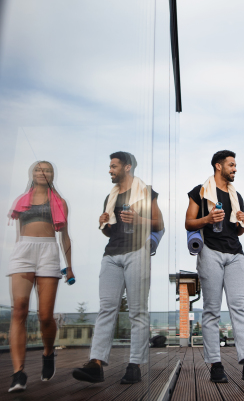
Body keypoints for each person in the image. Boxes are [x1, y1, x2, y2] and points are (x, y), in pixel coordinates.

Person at [72, 151, 163, 385]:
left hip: (137, 252)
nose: (110, 170)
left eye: (113, 166)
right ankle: (96, 364)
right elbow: (110, 231)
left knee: (137, 311)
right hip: (112, 254)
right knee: (106, 310)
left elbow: (159, 224)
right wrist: (104, 223)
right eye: (110, 166)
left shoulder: (146, 192)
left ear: (127, 167)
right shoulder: (110, 196)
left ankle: (135, 365)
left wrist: (138, 220)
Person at [185, 150, 244, 383]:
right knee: (212, 309)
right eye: (231, 165)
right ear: (218, 166)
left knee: (239, 307)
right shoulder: (200, 191)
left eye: (235, 165)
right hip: (210, 251)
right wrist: (207, 220)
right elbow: (188, 222)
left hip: (235, 254)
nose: (235, 168)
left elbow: (239, 229)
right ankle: (215, 364)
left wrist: (243, 221)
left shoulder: (236, 195)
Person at [7, 161, 73, 392]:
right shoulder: (21, 201)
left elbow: (64, 236)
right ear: (32, 174)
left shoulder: (60, 202)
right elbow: (18, 233)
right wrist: (19, 253)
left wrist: (69, 266)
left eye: (47, 169)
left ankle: (48, 352)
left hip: (48, 251)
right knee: (19, 309)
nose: (42, 172)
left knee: (45, 316)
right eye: (38, 169)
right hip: (23, 251)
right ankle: (18, 373)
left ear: (52, 175)